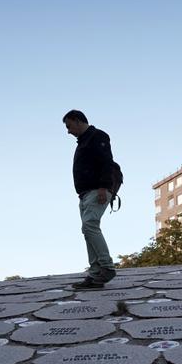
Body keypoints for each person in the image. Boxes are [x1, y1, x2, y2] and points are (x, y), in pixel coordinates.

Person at [63, 110, 117, 289]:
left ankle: (107, 268)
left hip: (97, 190)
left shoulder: (97, 136)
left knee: (89, 225)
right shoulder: (83, 142)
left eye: (69, 126)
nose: (68, 131)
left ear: (77, 121)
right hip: (86, 193)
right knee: (87, 229)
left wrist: (103, 186)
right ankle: (94, 275)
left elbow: (107, 162)